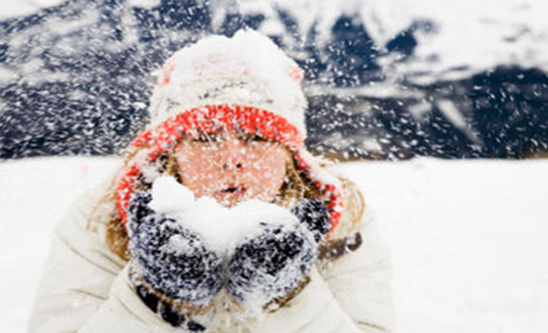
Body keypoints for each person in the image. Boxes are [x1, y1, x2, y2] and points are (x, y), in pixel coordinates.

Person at [28, 30, 395, 333]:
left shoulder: (344, 224)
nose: (232, 157)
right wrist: (155, 299)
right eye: (204, 138)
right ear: (171, 154)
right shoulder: (100, 219)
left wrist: (288, 295)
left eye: (257, 137)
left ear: (290, 157)